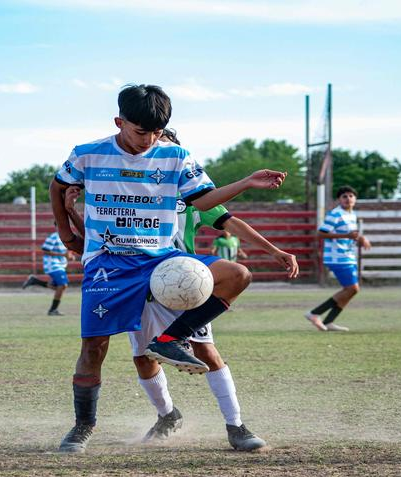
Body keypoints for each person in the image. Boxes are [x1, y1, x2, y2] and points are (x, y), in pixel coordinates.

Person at [49, 84, 286, 453]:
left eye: (157, 132)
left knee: (237, 275)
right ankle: (83, 426)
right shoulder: (87, 154)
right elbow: (58, 184)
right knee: (94, 347)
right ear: (120, 122)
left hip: (162, 260)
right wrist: (66, 231)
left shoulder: (176, 156)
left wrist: (245, 182)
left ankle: (176, 344)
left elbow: (203, 199)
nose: (149, 140)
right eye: (142, 131)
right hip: (108, 263)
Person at [304, 186, 370, 332]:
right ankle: (314, 313)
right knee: (352, 289)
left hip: (348, 256)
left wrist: (361, 238)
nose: (348, 199)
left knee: (351, 290)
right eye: (344, 196)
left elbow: (351, 234)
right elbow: (320, 234)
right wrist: (346, 236)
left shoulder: (352, 215)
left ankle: (328, 321)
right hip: (337, 257)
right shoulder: (335, 214)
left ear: (355, 199)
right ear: (339, 200)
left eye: (351, 196)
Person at [22, 224, 73, 316]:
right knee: (62, 285)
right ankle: (53, 310)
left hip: (60, 265)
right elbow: (45, 250)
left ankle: (35, 281)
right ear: (56, 226)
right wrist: (63, 255)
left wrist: (69, 257)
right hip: (52, 265)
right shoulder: (53, 237)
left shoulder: (66, 237)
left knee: (61, 287)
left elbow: (66, 252)